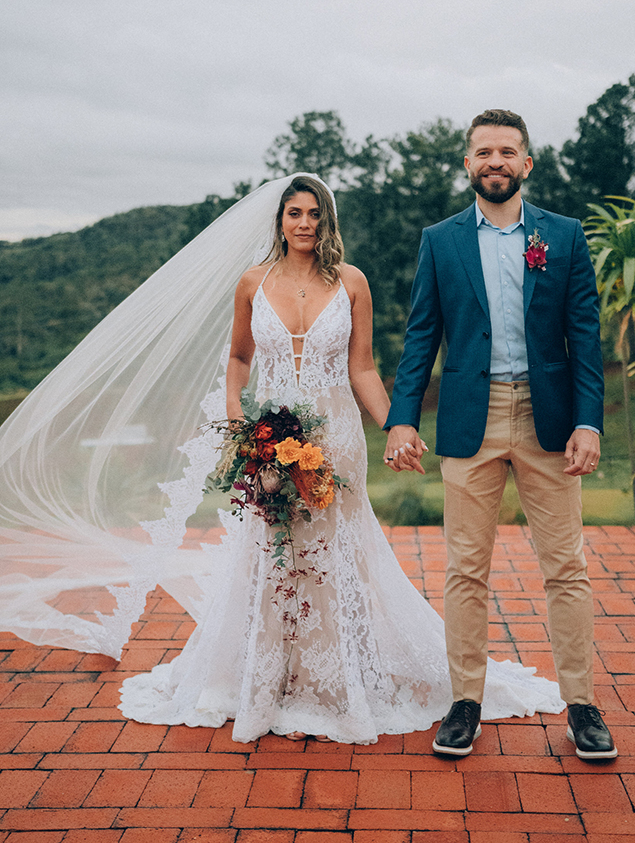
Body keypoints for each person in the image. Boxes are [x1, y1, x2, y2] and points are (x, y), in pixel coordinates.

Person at [117, 174, 564, 742]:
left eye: (314, 213)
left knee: (335, 555)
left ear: (327, 221)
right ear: (279, 220)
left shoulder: (352, 282)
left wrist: (395, 426)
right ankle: (270, 675)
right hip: (267, 440)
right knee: (270, 552)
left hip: (336, 440)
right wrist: (238, 425)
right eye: (294, 213)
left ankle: (339, 678)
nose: (304, 223)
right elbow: (237, 358)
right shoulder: (251, 282)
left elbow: (363, 368)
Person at [383, 109, 616, 760]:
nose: (494, 161)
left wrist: (587, 420)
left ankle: (582, 704)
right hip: (469, 419)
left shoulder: (563, 237)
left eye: (506, 151)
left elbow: (585, 337)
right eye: (483, 151)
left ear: (525, 163)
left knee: (565, 567)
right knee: (464, 568)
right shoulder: (441, 240)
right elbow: (421, 335)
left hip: (548, 422)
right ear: (467, 163)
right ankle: (464, 702)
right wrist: (403, 414)